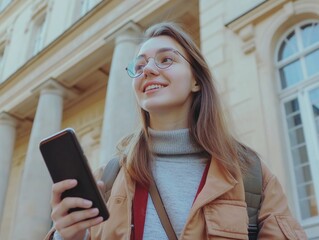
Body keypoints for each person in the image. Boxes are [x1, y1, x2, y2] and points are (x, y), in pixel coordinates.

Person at [44, 22, 307, 240]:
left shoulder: (252, 175)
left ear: (196, 80)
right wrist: (67, 236)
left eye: (166, 59)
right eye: (139, 66)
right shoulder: (109, 179)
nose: (147, 69)